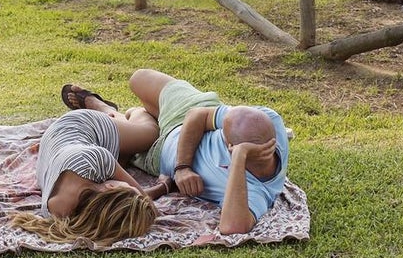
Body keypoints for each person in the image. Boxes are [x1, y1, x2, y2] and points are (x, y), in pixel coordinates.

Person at [65, 69, 289, 235]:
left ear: (234, 150)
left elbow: (232, 227)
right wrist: (183, 167)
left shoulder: (255, 192)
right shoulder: (267, 118)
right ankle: (145, 117)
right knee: (138, 79)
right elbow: (197, 116)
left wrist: (239, 158)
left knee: (115, 134)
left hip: (161, 151)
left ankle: (108, 110)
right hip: (187, 112)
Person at [10, 105, 167, 245]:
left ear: (110, 185)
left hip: (77, 126)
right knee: (151, 133)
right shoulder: (61, 212)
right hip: (64, 144)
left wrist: (162, 186)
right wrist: (163, 187)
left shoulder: (96, 158)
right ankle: (128, 113)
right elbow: (142, 198)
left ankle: (105, 109)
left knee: (147, 136)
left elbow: (144, 199)